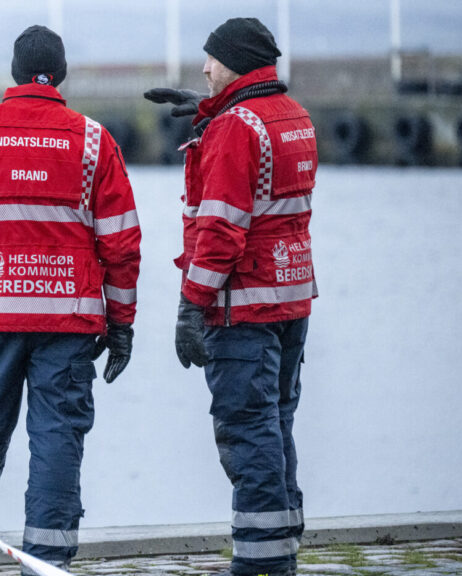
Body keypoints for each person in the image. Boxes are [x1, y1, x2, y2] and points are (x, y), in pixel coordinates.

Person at [0, 24, 141, 576]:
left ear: (15, 73)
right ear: (59, 74)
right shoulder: (92, 141)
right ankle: (46, 565)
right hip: (67, 325)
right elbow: (121, 243)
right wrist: (122, 326)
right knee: (57, 442)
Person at [144, 17, 318, 576]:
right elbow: (264, 173)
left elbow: (220, 228)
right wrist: (212, 108)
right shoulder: (292, 115)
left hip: (241, 305)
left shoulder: (234, 128)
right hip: (291, 299)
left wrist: (190, 306)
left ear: (237, 63)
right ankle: (281, 548)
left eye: (212, 60)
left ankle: (261, 564)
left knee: (247, 431)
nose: (204, 67)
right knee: (276, 424)